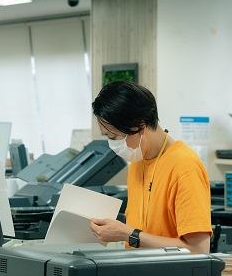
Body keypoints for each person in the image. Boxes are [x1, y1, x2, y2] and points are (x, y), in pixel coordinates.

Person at [89, 80, 212, 253]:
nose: (113, 144)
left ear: (140, 125)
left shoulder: (185, 166)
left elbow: (198, 249)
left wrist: (129, 234)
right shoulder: (137, 162)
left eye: (114, 136)